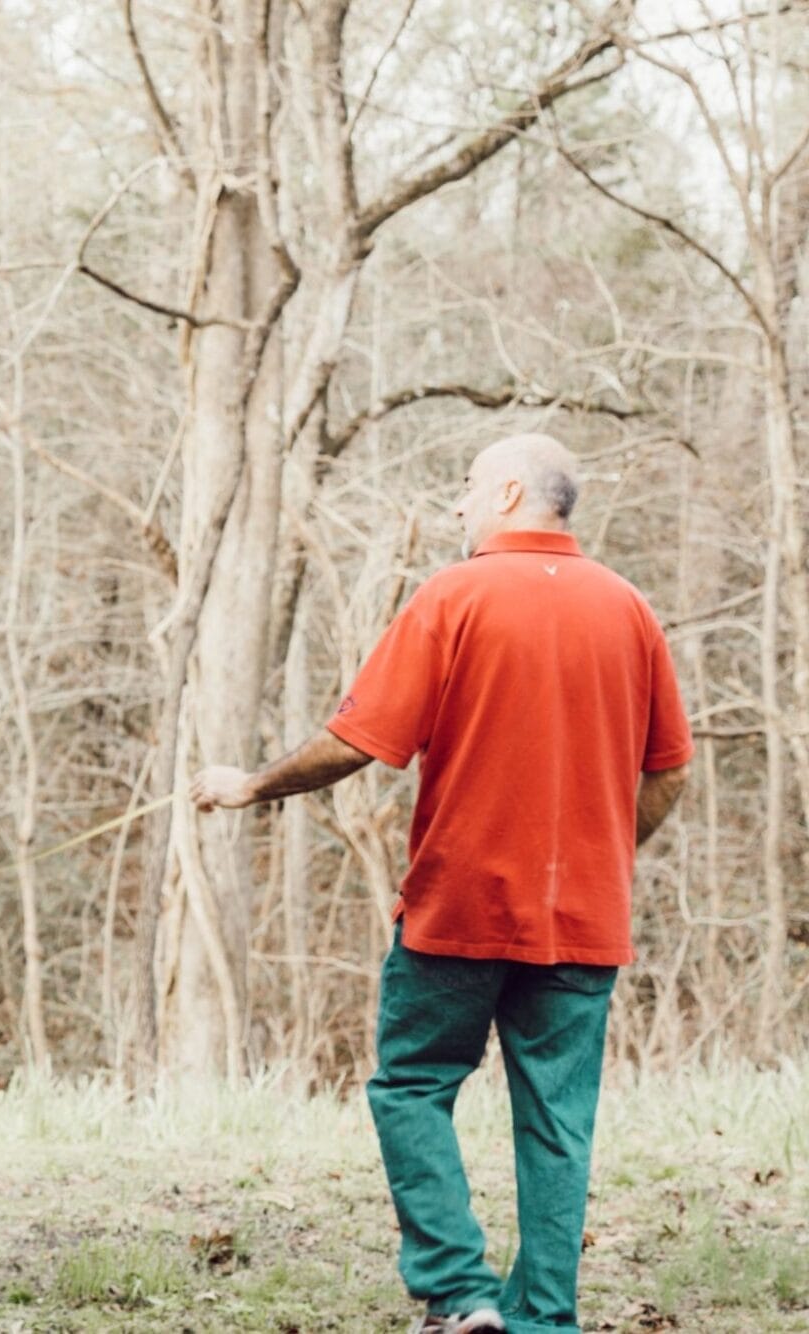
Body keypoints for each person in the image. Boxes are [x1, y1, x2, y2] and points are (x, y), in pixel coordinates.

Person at [191, 434, 692, 1334]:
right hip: (585, 917)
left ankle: (459, 1291)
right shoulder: (629, 609)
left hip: (457, 910)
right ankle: (541, 1316)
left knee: (411, 1087)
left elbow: (358, 740)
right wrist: (609, 855)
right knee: (557, 1124)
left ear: (507, 493)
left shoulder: (453, 596)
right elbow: (670, 772)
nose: (456, 507)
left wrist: (252, 785)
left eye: (465, 489)